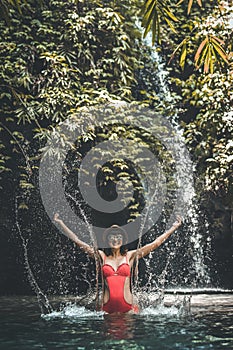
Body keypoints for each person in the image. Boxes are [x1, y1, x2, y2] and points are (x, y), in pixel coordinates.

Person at [53, 213, 182, 314]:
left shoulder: (130, 256)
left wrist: (173, 228)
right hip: (106, 308)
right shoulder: (101, 256)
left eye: (118, 236)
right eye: (112, 236)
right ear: (108, 240)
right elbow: (78, 241)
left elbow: (155, 244)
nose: (115, 239)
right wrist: (61, 223)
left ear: (123, 240)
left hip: (128, 308)